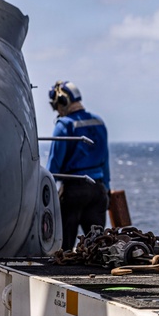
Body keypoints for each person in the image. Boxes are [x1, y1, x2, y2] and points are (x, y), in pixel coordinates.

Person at [46, 80, 110, 250]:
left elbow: (54, 166)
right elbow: (105, 160)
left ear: (62, 102)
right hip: (98, 189)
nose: (58, 111)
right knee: (96, 247)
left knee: (64, 246)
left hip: (74, 191)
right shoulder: (99, 122)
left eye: (56, 106)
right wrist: (107, 188)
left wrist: (44, 192)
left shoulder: (64, 126)